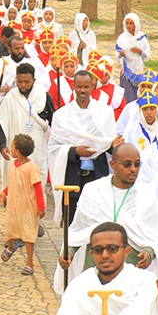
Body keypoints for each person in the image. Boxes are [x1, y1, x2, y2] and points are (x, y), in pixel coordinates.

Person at [56, 143, 158, 292]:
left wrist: (149, 252)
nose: (133, 169)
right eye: (127, 164)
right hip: (95, 271)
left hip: (131, 275)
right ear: (112, 164)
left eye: (137, 164)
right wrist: (69, 252)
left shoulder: (146, 196)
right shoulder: (93, 191)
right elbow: (79, 230)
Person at [52, 222, 158, 315]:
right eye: (98, 250)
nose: (105, 255)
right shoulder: (79, 285)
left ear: (126, 251)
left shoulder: (145, 283)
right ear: (91, 254)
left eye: (112, 249)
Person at [48, 71, 121, 224]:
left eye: (86, 87)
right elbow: (54, 149)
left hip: (97, 177)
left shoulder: (104, 113)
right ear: (73, 87)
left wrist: (113, 146)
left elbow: (106, 143)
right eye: (79, 87)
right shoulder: (61, 116)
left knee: (97, 223)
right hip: (73, 178)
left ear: (92, 86)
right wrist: (75, 151)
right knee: (72, 223)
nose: (82, 91)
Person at [0, 63, 55, 191]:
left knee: (36, 183)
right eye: (20, 81)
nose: (23, 85)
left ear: (34, 80)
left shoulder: (43, 96)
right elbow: (1, 123)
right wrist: (2, 145)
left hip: (37, 149)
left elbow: (54, 120)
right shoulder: (11, 97)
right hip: (15, 149)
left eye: (27, 82)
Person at [0, 134, 45, 276]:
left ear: (17, 151)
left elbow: (37, 188)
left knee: (28, 235)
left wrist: (41, 207)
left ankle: (29, 263)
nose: (10, 149)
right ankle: (11, 247)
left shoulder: (31, 168)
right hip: (13, 205)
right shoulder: (12, 165)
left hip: (27, 206)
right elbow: (12, 184)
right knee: (10, 229)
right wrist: (4, 193)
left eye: (12, 146)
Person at [116, 13, 150, 102]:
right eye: (127, 23)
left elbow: (147, 54)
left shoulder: (142, 38)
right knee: (128, 96)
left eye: (131, 23)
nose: (128, 26)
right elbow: (117, 54)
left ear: (136, 24)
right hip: (126, 72)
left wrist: (140, 51)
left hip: (139, 69)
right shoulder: (122, 38)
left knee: (139, 95)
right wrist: (121, 54)